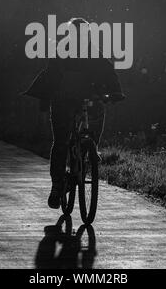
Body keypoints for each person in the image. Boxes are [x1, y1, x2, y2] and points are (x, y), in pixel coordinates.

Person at [24, 17, 124, 209]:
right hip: (63, 101)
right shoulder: (63, 53)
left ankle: (90, 150)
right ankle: (57, 186)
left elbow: (107, 72)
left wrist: (114, 92)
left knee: (81, 129)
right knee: (61, 141)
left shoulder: (91, 52)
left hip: (86, 100)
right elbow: (51, 75)